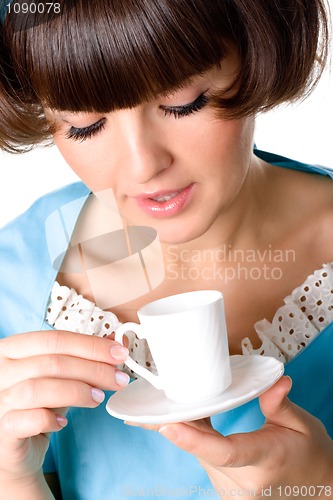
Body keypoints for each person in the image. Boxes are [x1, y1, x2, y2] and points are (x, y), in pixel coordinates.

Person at [0, 0, 333, 498]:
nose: (142, 167)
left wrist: (321, 485)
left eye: (183, 102)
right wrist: (13, 478)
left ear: (253, 52)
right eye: (86, 125)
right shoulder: (15, 276)